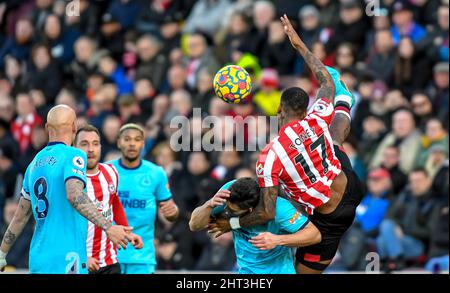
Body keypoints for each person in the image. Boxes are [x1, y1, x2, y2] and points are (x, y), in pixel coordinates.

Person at [209, 15, 364, 274]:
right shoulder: (316, 118)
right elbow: (326, 80)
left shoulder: (270, 156)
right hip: (351, 184)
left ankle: (344, 103)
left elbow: (267, 213)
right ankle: (344, 102)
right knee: (333, 138)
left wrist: (231, 223)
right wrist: (300, 45)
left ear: (279, 108)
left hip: (327, 218)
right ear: (306, 109)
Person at [0, 105, 132, 274]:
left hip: (39, 259)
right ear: (74, 127)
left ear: (47, 128)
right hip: (68, 258)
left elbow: (20, 216)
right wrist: (109, 227)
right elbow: (74, 194)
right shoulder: (74, 155)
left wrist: (2, 253)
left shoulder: (33, 164)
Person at [190, 178, 321, 274]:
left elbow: (314, 235)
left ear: (251, 210)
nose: (227, 213)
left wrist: (278, 240)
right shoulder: (227, 194)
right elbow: (194, 225)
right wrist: (209, 204)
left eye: (234, 212)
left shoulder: (280, 208)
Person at [109, 123, 179, 274]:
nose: (132, 143)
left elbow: (172, 212)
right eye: (127, 139)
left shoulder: (156, 173)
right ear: (118, 142)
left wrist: (172, 212)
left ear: (143, 143)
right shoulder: (106, 170)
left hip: (141, 256)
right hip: (109, 255)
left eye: (137, 139)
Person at [74, 125, 144, 274]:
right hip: (80, 264)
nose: (91, 149)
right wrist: (81, 256)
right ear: (74, 148)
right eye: (84, 144)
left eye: (95, 143)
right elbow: (59, 225)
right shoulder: (70, 182)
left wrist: (127, 231)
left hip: (109, 261)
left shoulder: (111, 172)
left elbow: (114, 201)